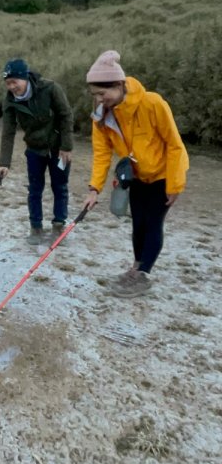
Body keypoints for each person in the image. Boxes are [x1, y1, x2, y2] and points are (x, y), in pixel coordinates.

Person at [82, 49, 189, 297]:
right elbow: (101, 155)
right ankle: (136, 267)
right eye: (94, 94)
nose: (99, 99)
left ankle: (143, 274)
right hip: (136, 177)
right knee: (138, 224)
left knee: (152, 223)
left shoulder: (152, 103)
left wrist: (175, 184)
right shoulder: (101, 117)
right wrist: (93, 189)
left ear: (119, 85)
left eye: (103, 93)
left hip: (163, 175)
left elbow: (175, 145)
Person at [0, 58, 73, 244]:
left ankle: (58, 226)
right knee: (34, 190)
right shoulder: (9, 102)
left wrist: (66, 146)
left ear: (24, 78)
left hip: (58, 149)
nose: (12, 87)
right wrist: (4, 163)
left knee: (60, 188)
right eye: (8, 83)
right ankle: (36, 228)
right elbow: (8, 132)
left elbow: (66, 116)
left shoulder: (50, 88)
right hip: (34, 150)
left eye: (14, 81)